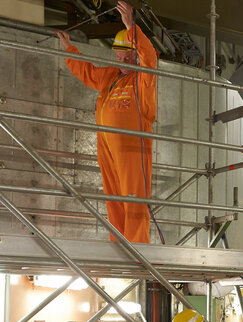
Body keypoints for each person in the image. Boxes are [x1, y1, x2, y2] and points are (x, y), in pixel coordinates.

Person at [55, 1, 157, 243]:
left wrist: (131, 27)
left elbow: (150, 57)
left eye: (126, 56)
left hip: (133, 149)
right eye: (118, 56)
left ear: (135, 55)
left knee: (134, 198)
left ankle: (137, 248)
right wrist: (69, 48)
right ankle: (119, 245)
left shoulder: (143, 79)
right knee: (113, 198)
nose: (121, 61)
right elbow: (87, 71)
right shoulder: (111, 76)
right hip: (108, 148)